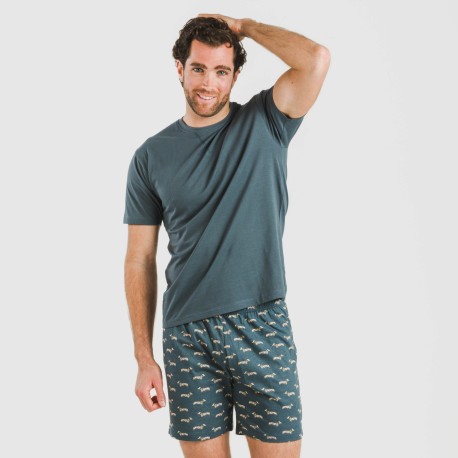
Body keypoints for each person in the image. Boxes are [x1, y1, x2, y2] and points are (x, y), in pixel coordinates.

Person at [123, 13, 330, 458]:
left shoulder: (267, 121)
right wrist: (143, 356)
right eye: (198, 68)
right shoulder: (150, 157)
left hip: (262, 325)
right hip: (188, 338)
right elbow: (139, 258)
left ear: (235, 76)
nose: (208, 83)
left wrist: (246, 28)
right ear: (179, 69)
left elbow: (315, 59)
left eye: (221, 71)